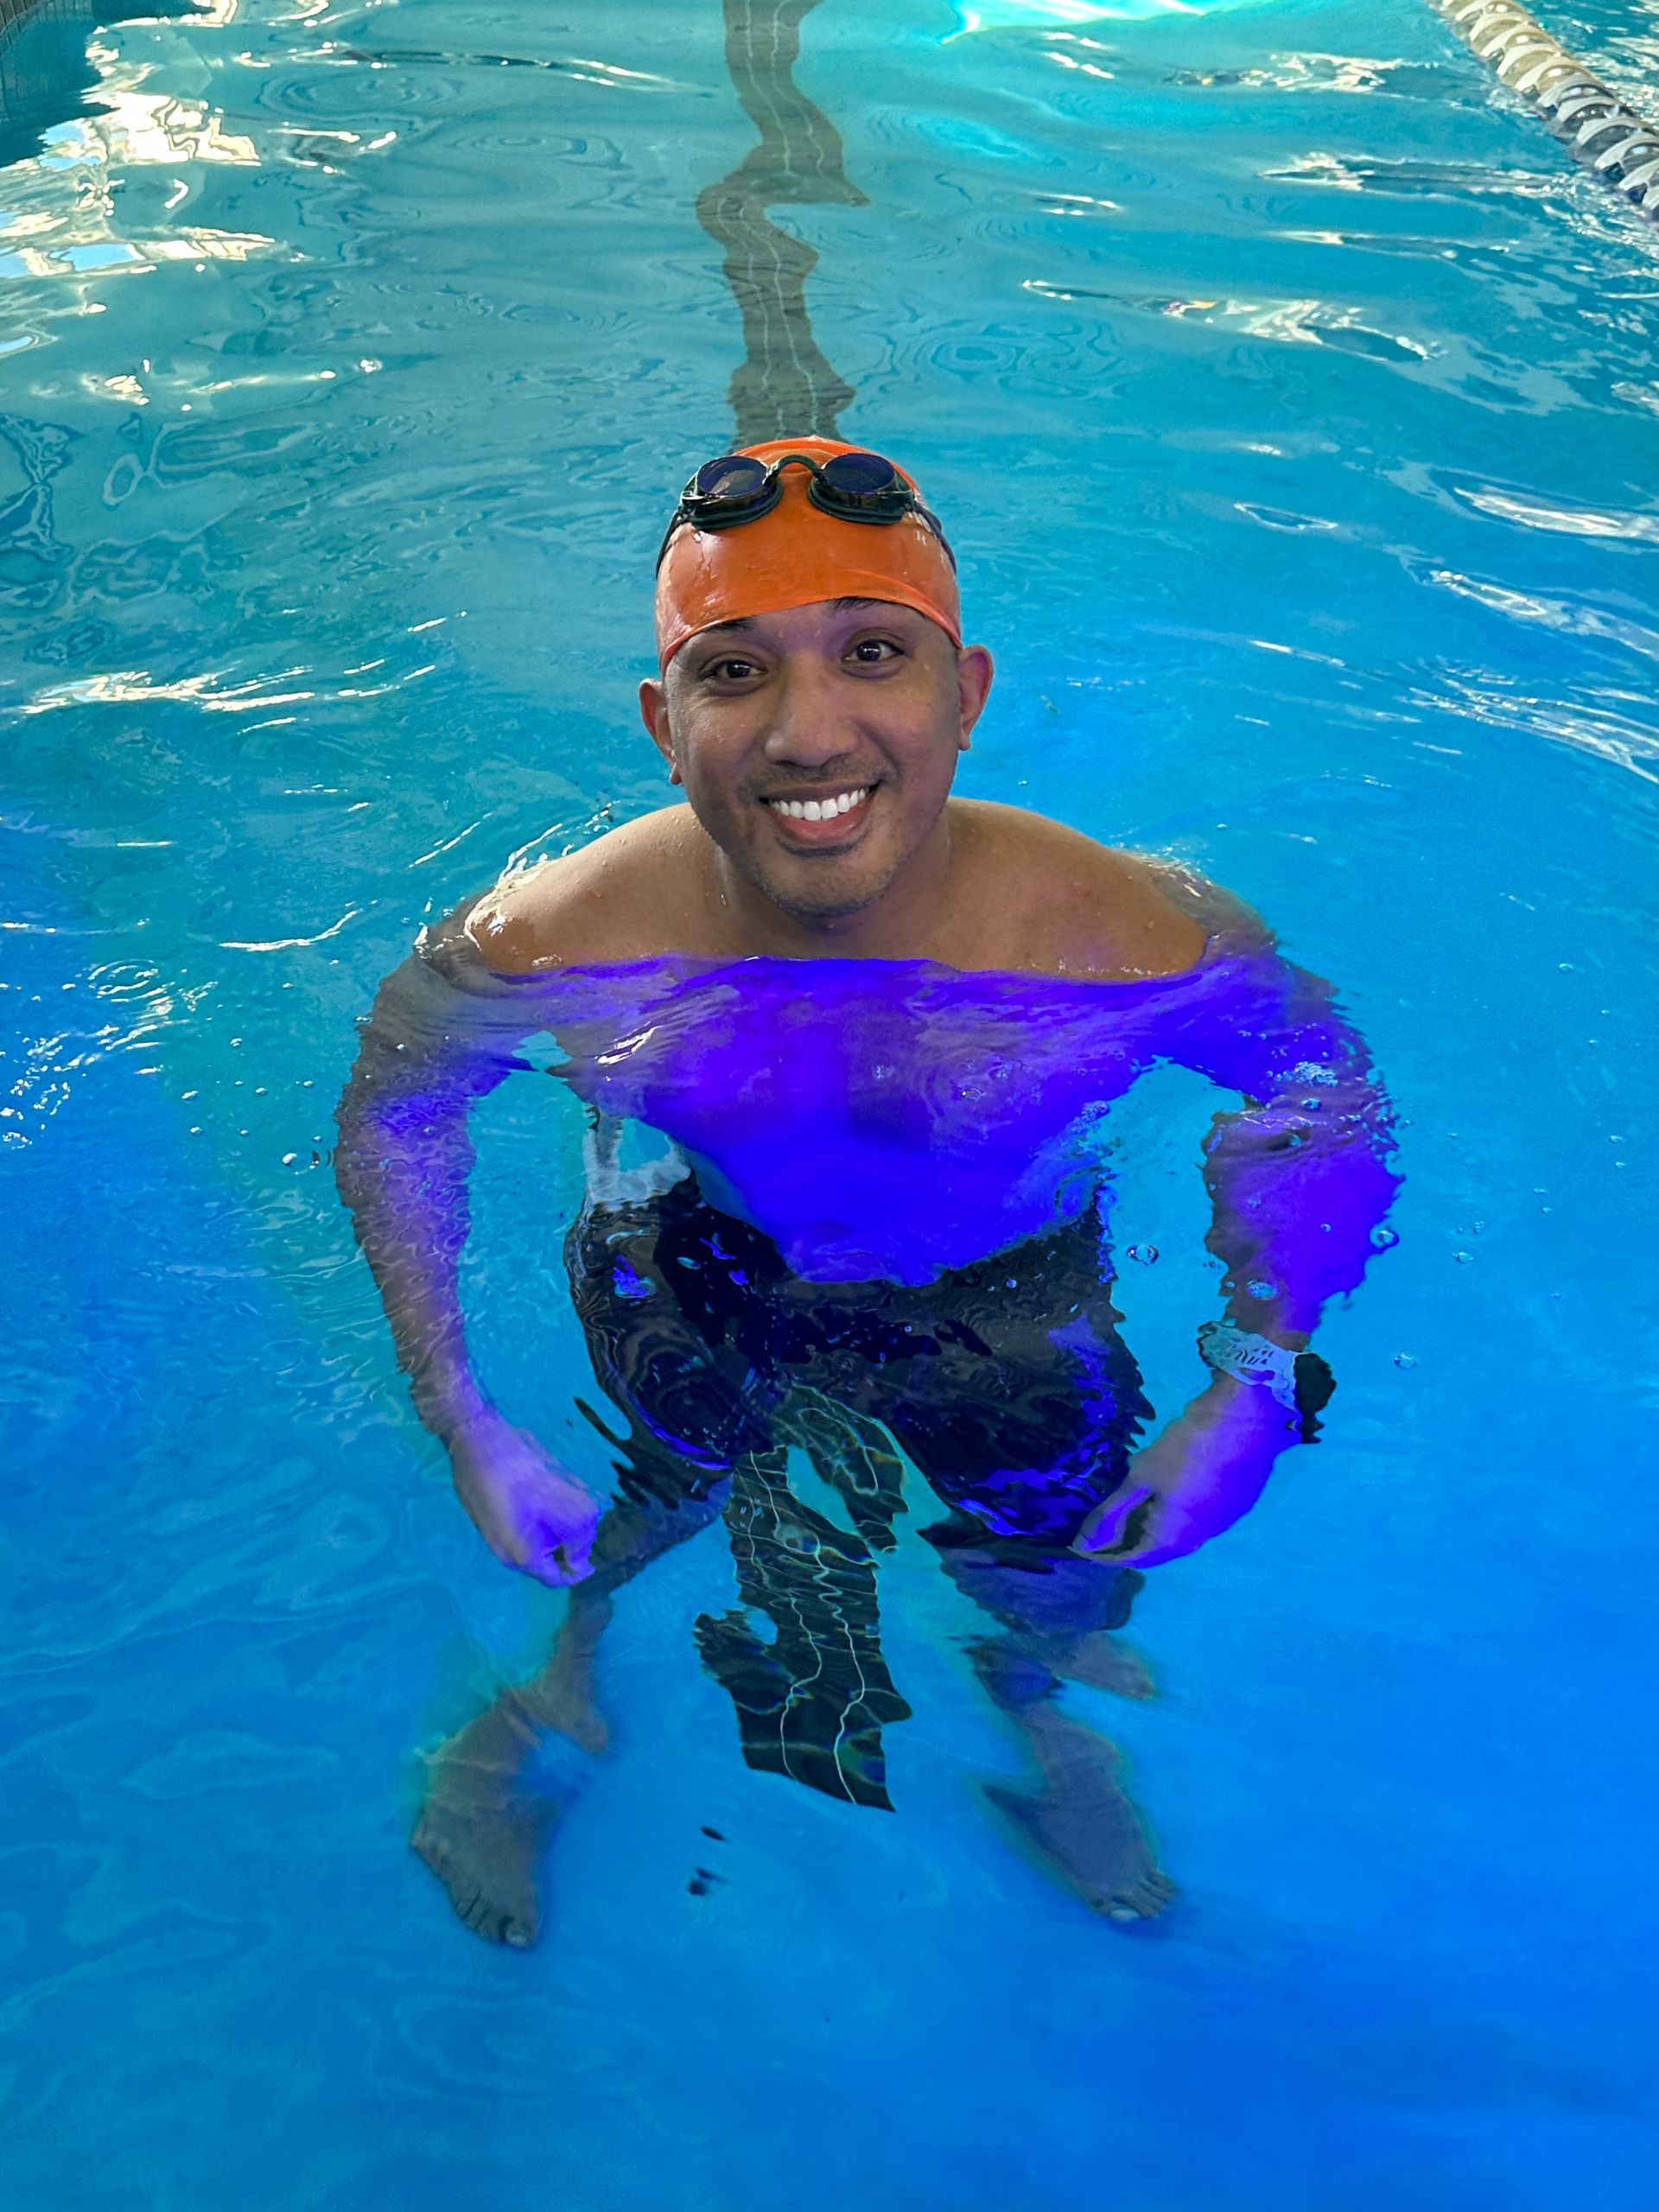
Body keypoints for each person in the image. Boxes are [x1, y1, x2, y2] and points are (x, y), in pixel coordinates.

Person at [336, 439, 1398, 1947]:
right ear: (664, 722)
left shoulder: (1125, 937)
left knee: (1064, 1577)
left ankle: (1042, 1723)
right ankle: (549, 1693)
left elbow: (1322, 1098)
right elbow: (395, 1116)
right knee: (631, 1522)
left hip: (1010, 1299)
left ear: (964, 693)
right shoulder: (553, 944)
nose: (806, 733)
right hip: (700, 1258)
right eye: (734, 674)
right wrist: (467, 1420)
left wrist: (1258, 1385)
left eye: (873, 656)